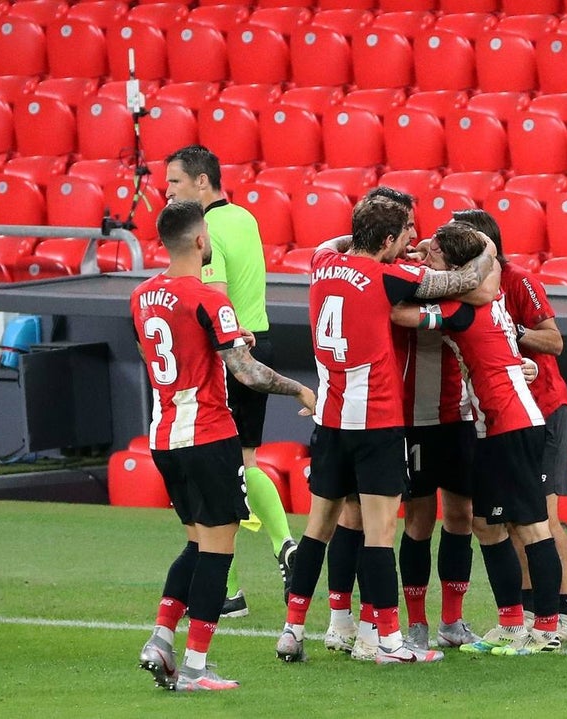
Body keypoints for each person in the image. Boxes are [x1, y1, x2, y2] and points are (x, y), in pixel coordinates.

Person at [274, 193, 495, 665]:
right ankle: (388, 641)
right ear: (390, 239)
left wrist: (363, 235)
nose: (415, 240)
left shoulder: (321, 261)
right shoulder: (390, 276)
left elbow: (333, 244)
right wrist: (488, 247)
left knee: (316, 530)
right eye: (407, 233)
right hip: (374, 422)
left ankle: (293, 629)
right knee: (379, 534)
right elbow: (470, 280)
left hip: (328, 420)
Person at [132, 200, 315, 691]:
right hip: (208, 434)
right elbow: (248, 374)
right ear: (200, 241)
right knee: (218, 550)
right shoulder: (211, 299)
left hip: (164, 435)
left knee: (196, 541)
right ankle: (194, 667)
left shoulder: (143, 296)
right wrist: (299, 389)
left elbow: (166, 347)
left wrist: (227, 341)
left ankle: (160, 640)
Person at [393, 221, 563, 656]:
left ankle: (544, 625)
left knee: (530, 525)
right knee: (488, 524)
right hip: (500, 423)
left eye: (434, 257)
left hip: (509, 422)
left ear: (457, 268)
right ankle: (515, 622)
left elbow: (399, 313)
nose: (427, 261)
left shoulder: (461, 306)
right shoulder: (482, 295)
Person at [163, 145, 297, 616]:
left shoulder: (208, 232)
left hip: (228, 352)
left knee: (217, 472)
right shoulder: (245, 218)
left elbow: (211, 294)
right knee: (242, 461)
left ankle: (245, 576)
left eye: (174, 183)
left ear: (202, 182)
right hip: (258, 338)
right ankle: (259, 568)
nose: (167, 193)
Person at [452, 209, 567, 643]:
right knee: (500, 521)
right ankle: (524, 615)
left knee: (541, 516)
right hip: (500, 414)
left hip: (542, 406)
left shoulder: (516, 279)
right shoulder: (468, 289)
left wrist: (510, 333)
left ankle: (563, 614)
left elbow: (557, 341)